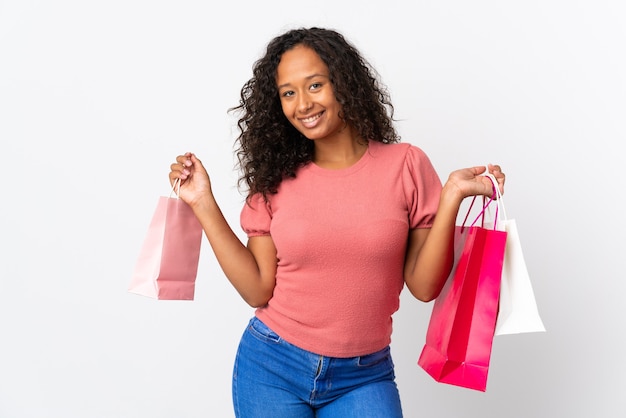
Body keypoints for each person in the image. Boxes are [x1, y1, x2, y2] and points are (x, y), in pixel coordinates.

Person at [169, 27, 505, 418]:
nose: (302, 104)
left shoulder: (406, 166)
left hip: (364, 376)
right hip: (272, 366)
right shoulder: (274, 180)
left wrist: (450, 198)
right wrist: (203, 202)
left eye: (314, 85)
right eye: (288, 93)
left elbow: (424, 287)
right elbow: (258, 290)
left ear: (343, 84)